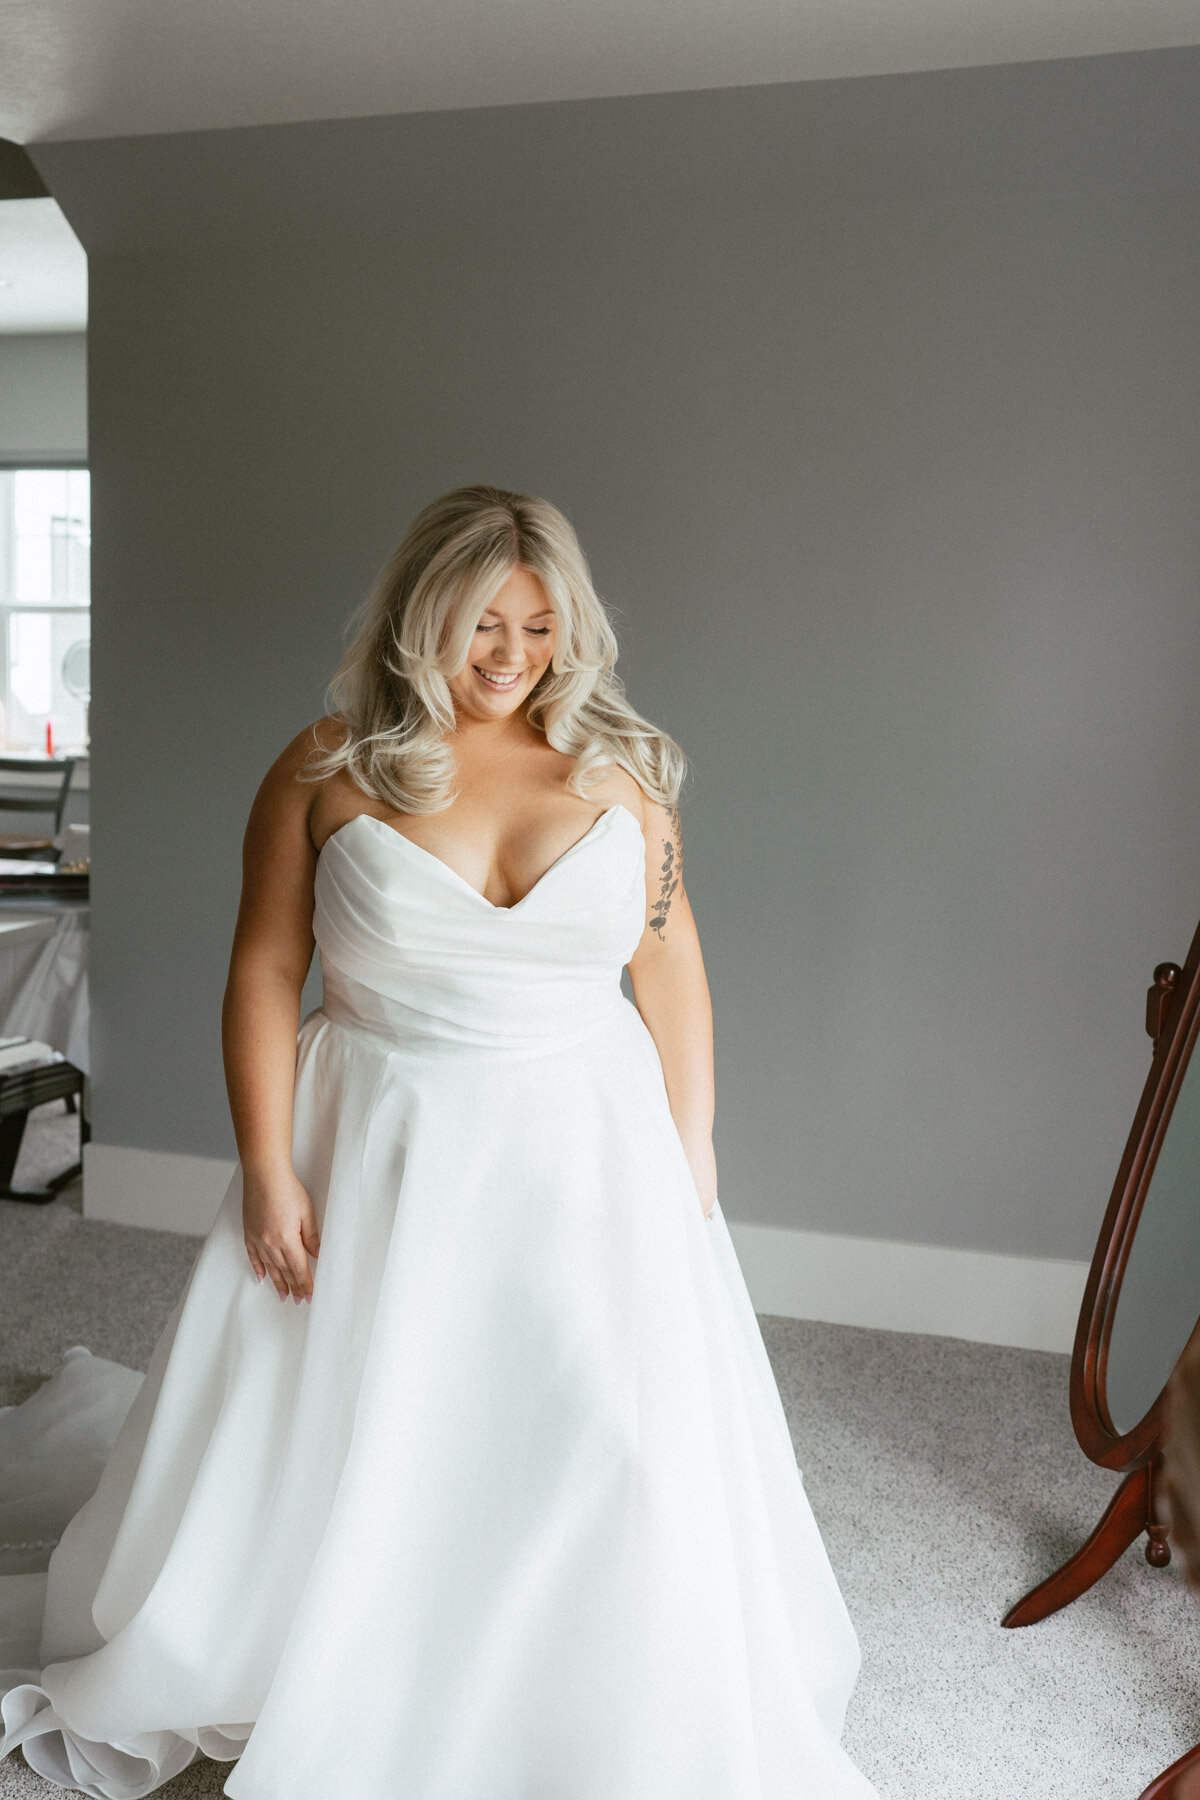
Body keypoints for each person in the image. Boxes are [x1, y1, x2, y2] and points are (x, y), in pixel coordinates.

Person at [0, 485, 879, 1798]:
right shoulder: (324, 768)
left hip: (589, 1145)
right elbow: (262, 971)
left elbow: (671, 959)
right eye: (481, 625)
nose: (511, 654)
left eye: (536, 624)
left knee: (607, 1429)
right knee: (365, 1427)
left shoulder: (625, 775)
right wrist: (269, 1168)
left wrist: (693, 1146)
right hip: (381, 1139)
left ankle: (582, 1683)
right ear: (424, 619)